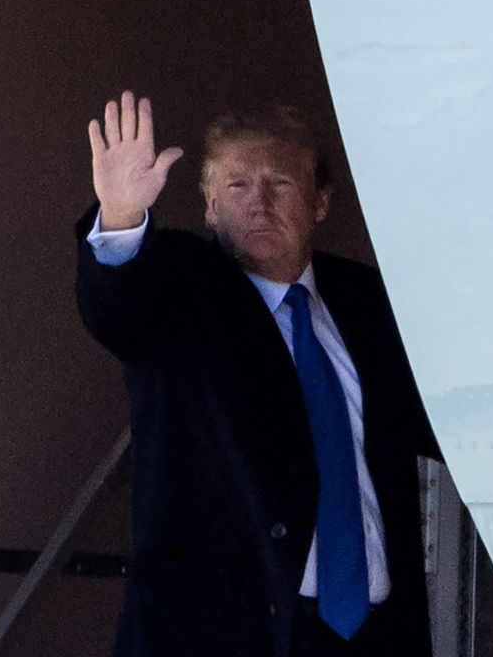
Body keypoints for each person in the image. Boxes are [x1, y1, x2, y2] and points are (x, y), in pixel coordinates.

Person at [76, 91, 439, 657]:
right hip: (231, 638)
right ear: (208, 204)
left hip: (375, 633)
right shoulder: (181, 288)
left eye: (282, 184)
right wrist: (122, 217)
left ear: (321, 201)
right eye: (237, 186)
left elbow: (452, 424)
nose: (259, 205)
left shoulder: (367, 301)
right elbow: (116, 308)